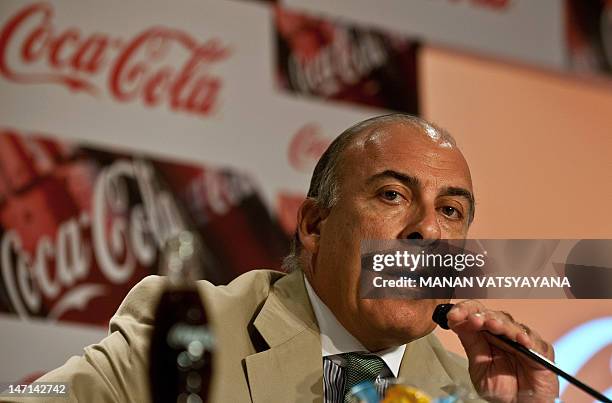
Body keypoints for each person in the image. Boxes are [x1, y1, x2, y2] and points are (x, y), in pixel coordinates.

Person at [3, 114, 558, 403]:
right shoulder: (194, 332)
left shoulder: (473, 389)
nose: (427, 232)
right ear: (315, 225)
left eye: (452, 212)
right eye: (392, 195)